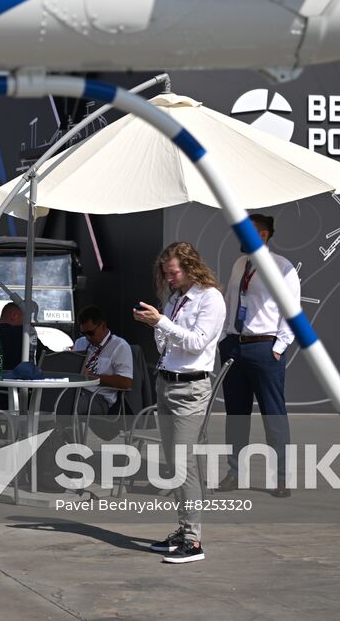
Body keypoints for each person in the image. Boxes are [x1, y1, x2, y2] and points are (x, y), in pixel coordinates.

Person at [132, 241, 227, 564]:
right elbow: (166, 345)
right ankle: (184, 528)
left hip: (190, 388)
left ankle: (193, 540)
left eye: (172, 273)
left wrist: (161, 323)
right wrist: (157, 325)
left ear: (189, 267)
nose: (168, 278)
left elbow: (197, 343)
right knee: (174, 463)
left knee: (184, 464)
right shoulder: (175, 299)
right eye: (165, 273)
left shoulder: (210, 298)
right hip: (166, 382)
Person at [217, 213, 297, 497]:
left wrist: (277, 348)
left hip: (265, 348)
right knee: (236, 415)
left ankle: (282, 477)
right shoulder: (240, 264)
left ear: (263, 235)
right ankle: (234, 473)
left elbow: (291, 312)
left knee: (273, 415)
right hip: (235, 347)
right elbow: (231, 302)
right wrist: (224, 338)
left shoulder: (283, 268)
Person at [71, 305, 133, 414]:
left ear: (103, 326)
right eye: (83, 333)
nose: (87, 338)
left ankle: (65, 429)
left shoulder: (120, 346)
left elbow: (126, 383)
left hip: (99, 397)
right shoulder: (80, 342)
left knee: (71, 405)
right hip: (76, 391)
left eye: (90, 333)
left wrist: (90, 376)